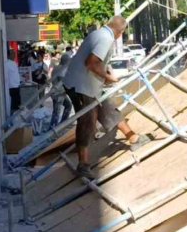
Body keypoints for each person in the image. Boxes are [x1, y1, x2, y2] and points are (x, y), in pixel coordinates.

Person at [63, 16, 147, 179]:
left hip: (89, 84)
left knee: (107, 107)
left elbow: (99, 61)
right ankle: (83, 164)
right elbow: (92, 63)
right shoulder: (106, 38)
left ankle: (133, 137)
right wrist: (108, 78)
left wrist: (107, 72)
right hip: (82, 86)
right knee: (87, 120)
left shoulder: (99, 34)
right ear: (120, 32)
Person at [49, 48, 74, 129]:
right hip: (58, 93)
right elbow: (63, 81)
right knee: (57, 111)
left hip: (57, 92)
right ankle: (53, 127)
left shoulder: (56, 67)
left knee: (68, 105)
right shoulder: (62, 69)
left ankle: (62, 123)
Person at [5, 48, 21, 113]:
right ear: (9, 55)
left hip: (17, 85)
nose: (14, 55)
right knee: (14, 104)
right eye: (13, 54)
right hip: (11, 86)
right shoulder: (7, 64)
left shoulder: (14, 63)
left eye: (15, 54)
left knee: (17, 103)